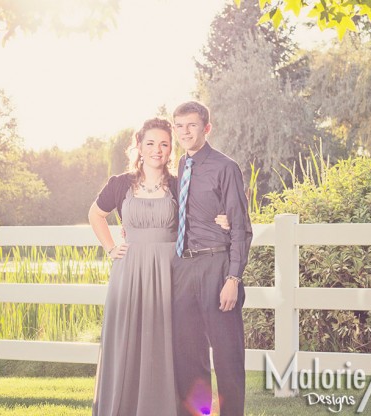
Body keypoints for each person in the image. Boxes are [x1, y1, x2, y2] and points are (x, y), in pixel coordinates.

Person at [89, 117, 229, 416]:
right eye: (150, 143)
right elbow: (95, 215)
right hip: (130, 272)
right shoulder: (120, 183)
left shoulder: (180, 183)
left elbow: (203, 216)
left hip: (172, 272)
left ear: (171, 149)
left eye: (164, 144)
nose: (157, 150)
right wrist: (111, 247)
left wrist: (225, 219)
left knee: (170, 342)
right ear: (138, 146)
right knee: (128, 341)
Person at [171, 101, 253, 416]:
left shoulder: (225, 167)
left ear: (206, 128)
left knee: (227, 356)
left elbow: (242, 228)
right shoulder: (178, 166)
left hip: (217, 267)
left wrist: (233, 278)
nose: (184, 132)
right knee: (189, 355)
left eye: (191, 125)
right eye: (179, 126)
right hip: (184, 269)